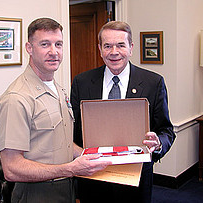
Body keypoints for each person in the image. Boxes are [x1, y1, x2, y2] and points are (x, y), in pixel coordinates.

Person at [0, 17, 111, 203]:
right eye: (44, 44)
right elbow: (11, 168)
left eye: (58, 44)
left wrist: (86, 156)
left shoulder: (57, 88)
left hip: (67, 188)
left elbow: (60, 141)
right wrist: (71, 168)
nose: (53, 52)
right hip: (36, 193)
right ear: (29, 48)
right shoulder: (16, 98)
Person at [70, 21, 176, 203]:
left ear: (131, 47)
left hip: (135, 182)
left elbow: (167, 131)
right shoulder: (82, 82)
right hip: (93, 179)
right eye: (107, 46)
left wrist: (158, 144)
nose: (114, 52)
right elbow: (73, 132)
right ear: (100, 49)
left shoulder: (153, 82)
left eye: (120, 45)